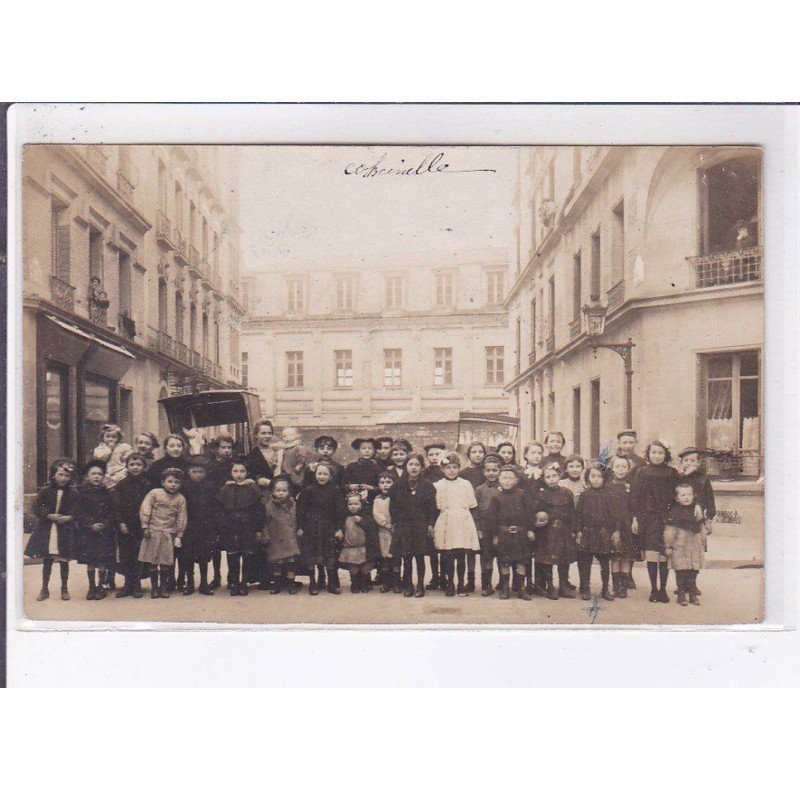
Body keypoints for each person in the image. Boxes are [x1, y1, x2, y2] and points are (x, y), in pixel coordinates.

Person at [631, 440, 681, 603]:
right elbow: (635, 497)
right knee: (652, 555)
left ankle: (663, 590)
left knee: (664, 555)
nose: (657, 456)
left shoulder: (672, 473)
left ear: (665, 455)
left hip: (667, 519)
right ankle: (653, 589)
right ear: (648, 454)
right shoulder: (642, 472)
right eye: (653, 452)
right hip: (649, 519)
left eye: (660, 453)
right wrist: (635, 518)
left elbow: (677, 496)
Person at [483, 464, 539, 601]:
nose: (507, 481)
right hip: (504, 534)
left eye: (510, 478)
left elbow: (529, 514)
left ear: (516, 480)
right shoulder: (496, 497)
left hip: (520, 534)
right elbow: (492, 518)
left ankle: (521, 589)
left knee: (521, 561)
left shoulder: (522, 495)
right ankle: (505, 588)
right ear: (499, 479)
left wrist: (530, 530)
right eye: (504, 478)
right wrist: (495, 535)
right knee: (504, 562)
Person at [26, 458, 78, 602]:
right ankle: (44, 589)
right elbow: (36, 507)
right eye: (60, 474)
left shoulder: (74, 493)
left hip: (64, 530)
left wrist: (68, 517)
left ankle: (64, 589)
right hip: (48, 529)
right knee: (47, 560)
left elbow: (78, 510)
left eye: (67, 476)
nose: (63, 478)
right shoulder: (45, 491)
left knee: (63, 560)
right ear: (53, 475)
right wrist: (48, 515)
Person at [388, 453, 437, 598]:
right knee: (406, 556)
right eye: (411, 464)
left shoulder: (427, 485)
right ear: (406, 466)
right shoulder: (398, 485)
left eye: (417, 464)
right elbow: (393, 507)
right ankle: (408, 585)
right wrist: (396, 521)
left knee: (420, 556)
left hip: (421, 525)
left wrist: (430, 524)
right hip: (404, 525)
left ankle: (420, 585)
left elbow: (432, 508)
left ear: (421, 467)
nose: (413, 467)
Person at [433, 452, 480, 597]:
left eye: (454, 467)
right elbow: (436, 507)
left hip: (462, 521)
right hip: (446, 521)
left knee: (461, 555)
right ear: (442, 469)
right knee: (448, 555)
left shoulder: (465, 484)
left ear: (459, 468)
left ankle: (461, 584)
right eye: (448, 467)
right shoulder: (438, 485)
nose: (451, 470)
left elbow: (472, 505)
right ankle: (449, 584)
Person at [297, 462, 347, 595]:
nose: (322, 477)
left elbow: (340, 512)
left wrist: (339, 528)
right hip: (311, 528)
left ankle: (331, 583)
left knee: (330, 555)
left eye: (325, 474)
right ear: (315, 474)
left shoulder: (335, 490)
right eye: (319, 473)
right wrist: (301, 527)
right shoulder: (308, 490)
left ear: (331, 476)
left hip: (329, 528)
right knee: (313, 556)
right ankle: (314, 582)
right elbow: (301, 510)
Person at [218, 457, 265, 596]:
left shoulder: (252, 488)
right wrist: (222, 526)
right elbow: (220, 510)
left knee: (247, 554)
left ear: (247, 472)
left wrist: (258, 529)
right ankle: (234, 583)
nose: (239, 474)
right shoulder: (225, 489)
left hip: (248, 525)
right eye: (235, 471)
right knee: (232, 554)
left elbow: (259, 510)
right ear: (231, 472)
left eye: (242, 471)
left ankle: (244, 582)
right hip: (230, 526)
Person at [138, 467, 187, 599]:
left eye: (176, 482)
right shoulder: (154, 493)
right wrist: (145, 526)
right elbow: (145, 508)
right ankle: (155, 588)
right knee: (153, 561)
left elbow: (181, 517)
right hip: (153, 531)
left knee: (165, 562)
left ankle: (164, 587)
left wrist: (179, 535)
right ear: (162, 482)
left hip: (168, 533)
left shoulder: (180, 498)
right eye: (170, 481)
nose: (173, 484)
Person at [111, 452, 154, 599]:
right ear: (127, 467)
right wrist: (121, 522)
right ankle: (127, 584)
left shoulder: (148, 485)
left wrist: (148, 524)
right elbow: (115, 506)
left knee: (139, 555)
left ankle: (137, 585)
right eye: (132, 464)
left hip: (141, 525)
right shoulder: (121, 485)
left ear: (144, 467)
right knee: (125, 555)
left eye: (139, 465)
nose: (135, 467)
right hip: (125, 525)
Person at [75, 459, 118, 601]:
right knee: (91, 560)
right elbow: (79, 512)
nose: (97, 477)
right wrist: (90, 524)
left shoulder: (108, 493)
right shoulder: (82, 494)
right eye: (93, 474)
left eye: (100, 474)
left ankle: (100, 586)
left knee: (103, 560)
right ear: (87, 477)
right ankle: (91, 587)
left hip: (105, 532)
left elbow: (113, 511)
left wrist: (105, 523)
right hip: (89, 532)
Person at [677, 446, 716, 597]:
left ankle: (692, 584)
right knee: (681, 553)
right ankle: (682, 585)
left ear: (698, 463)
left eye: (692, 460)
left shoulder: (703, 479)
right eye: (685, 460)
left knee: (696, 554)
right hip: (681, 521)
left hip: (697, 522)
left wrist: (709, 519)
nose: (688, 463)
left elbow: (709, 500)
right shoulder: (679, 479)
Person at [534, 464, 577, 600]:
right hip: (547, 532)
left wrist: (573, 530)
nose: (551, 479)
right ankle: (550, 586)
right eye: (548, 477)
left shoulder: (566, 493)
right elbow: (537, 513)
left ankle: (563, 586)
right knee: (548, 560)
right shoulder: (541, 494)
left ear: (559, 476)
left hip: (563, 531)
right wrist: (540, 519)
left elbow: (571, 513)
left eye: (554, 476)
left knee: (564, 559)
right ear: (544, 478)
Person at [575, 465, 616, 601]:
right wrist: (579, 530)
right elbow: (579, 514)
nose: (596, 479)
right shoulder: (585, 495)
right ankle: (585, 587)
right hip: (587, 532)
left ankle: (605, 588)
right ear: (588, 478)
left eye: (600, 476)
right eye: (593, 476)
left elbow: (614, 515)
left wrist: (614, 531)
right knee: (585, 560)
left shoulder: (610, 494)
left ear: (605, 478)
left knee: (605, 561)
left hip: (604, 533)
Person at [180, 455, 220, 596]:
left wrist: (214, 525)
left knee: (204, 556)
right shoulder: (184, 487)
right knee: (188, 556)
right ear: (189, 472)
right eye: (194, 472)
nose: (198, 475)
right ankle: (190, 583)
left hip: (205, 526)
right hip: (189, 526)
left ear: (205, 472)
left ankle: (204, 583)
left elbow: (215, 507)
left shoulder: (209, 486)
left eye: (201, 472)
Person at [663, 484, 705, 607]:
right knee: (681, 570)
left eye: (689, 495)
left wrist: (703, 542)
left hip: (694, 546)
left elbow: (701, 528)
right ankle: (681, 593)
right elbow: (669, 531)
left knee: (693, 570)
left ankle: (692, 593)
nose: (686, 497)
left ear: (693, 496)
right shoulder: (675, 512)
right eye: (683, 495)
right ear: (677, 498)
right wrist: (668, 546)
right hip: (680, 546)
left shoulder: (696, 510)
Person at [259, 476, 300, 595]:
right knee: (276, 562)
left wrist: (299, 530)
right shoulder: (269, 506)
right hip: (275, 538)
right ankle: (276, 584)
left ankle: (291, 583)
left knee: (291, 562)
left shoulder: (293, 505)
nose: (281, 493)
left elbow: (298, 519)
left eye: (284, 491)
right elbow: (264, 523)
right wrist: (265, 535)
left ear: (289, 492)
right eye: (278, 491)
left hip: (290, 538)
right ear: (272, 492)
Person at [605, 455, 637, 599]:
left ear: (629, 469)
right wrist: (614, 528)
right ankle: (615, 587)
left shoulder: (631, 486)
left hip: (627, 525)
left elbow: (635, 506)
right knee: (615, 556)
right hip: (613, 526)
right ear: (612, 468)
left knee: (625, 556)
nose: (621, 469)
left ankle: (623, 587)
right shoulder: (608, 487)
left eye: (624, 467)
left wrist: (635, 521)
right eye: (617, 466)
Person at [207, 434, 236, 589]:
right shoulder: (211, 467)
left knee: (232, 545)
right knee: (216, 546)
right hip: (216, 510)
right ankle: (216, 577)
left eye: (229, 447)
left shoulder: (234, 466)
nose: (226, 451)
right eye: (223, 447)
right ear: (216, 449)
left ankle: (232, 577)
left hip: (231, 510)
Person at [339, 492, 380, 593]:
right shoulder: (344, 517)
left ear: (361, 504)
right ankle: (355, 584)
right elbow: (341, 529)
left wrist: (362, 521)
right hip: (350, 548)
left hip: (363, 547)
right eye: (350, 504)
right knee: (353, 568)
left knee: (365, 568)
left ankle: (364, 584)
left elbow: (371, 529)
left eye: (356, 504)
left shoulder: (366, 516)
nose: (353, 507)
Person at [474, 454, 502, 596]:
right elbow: (476, 511)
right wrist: (478, 529)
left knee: (503, 556)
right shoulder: (479, 490)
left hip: (501, 529)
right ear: (484, 472)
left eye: (494, 470)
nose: (491, 473)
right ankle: (486, 584)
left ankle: (503, 584)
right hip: (485, 529)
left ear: (499, 471)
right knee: (486, 557)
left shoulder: (504, 488)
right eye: (488, 470)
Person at [422, 443, 446, 590]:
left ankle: (444, 576)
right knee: (432, 548)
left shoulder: (446, 471)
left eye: (437, 454)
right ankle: (435, 576)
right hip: (429, 511)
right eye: (431, 455)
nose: (434, 457)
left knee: (444, 546)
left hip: (443, 511)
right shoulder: (424, 473)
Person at [372, 471, 399, 592]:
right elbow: (376, 514)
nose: (385, 485)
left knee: (396, 557)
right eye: (382, 483)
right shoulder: (377, 499)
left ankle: (397, 582)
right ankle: (386, 582)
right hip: (383, 532)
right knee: (385, 557)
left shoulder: (398, 497)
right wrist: (386, 525)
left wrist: (395, 524)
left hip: (396, 530)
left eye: (388, 482)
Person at [93, 423, 133, 490]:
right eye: (108, 437)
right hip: (106, 474)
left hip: (120, 473)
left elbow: (128, 459)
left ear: (118, 438)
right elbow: (100, 459)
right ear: (103, 437)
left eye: (114, 437)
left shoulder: (124, 447)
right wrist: (109, 449)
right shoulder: (100, 449)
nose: (111, 439)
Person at [343, 437, 380, 507]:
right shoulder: (351, 466)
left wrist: (371, 488)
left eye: (370, 449)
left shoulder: (377, 467)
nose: (367, 451)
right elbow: (343, 484)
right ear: (358, 450)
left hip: (372, 500)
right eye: (363, 448)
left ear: (374, 451)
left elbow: (381, 487)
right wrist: (350, 486)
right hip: (354, 501)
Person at [245, 420, 278, 489]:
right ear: (256, 435)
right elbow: (252, 477)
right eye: (263, 433)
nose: (267, 436)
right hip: (263, 492)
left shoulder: (278, 451)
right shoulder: (252, 456)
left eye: (270, 433)